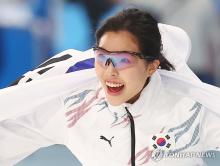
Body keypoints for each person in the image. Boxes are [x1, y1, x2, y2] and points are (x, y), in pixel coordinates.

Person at [1, 8, 220, 166]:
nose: (109, 71)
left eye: (123, 60)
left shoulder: (190, 109)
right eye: (102, 57)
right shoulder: (76, 109)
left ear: (152, 66)